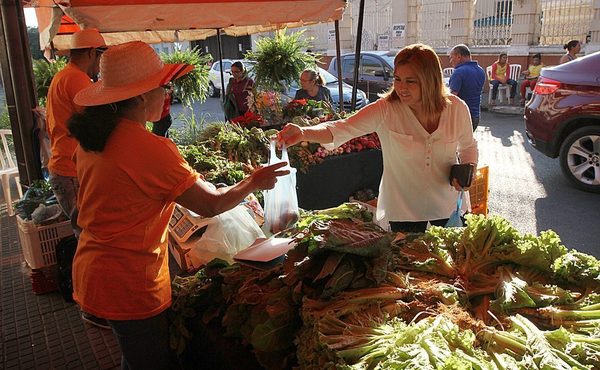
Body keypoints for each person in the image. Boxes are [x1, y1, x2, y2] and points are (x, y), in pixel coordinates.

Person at [67, 41, 288, 369]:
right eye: (164, 87)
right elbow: (210, 206)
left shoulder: (93, 139)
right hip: (130, 282)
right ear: (142, 97)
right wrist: (253, 182)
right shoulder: (149, 148)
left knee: (134, 357)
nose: (168, 94)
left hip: (95, 270)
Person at [278, 43, 478, 233]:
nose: (402, 88)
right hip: (403, 216)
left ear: (430, 80)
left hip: (450, 210)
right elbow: (342, 128)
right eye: (397, 79)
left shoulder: (457, 108)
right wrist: (304, 133)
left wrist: (469, 168)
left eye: (411, 81)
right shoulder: (386, 109)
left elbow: (468, 147)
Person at [46, 28, 106, 220]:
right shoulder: (76, 78)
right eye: (100, 57)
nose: (100, 65)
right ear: (91, 52)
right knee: (88, 233)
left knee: (84, 233)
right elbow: (96, 123)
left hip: (64, 166)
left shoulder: (62, 76)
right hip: (71, 169)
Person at [448, 44, 486, 131]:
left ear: (458, 57)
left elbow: (452, 97)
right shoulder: (480, 71)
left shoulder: (458, 72)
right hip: (475, 116)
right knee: (467, 144)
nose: (450, 61)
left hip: (460, 117)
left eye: (451, 57)